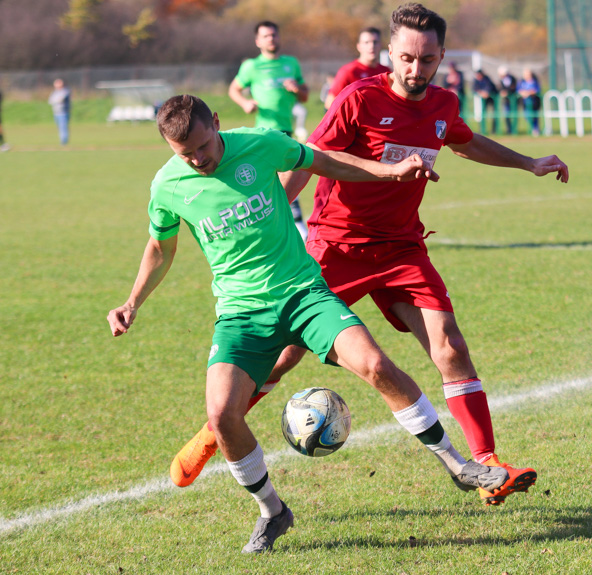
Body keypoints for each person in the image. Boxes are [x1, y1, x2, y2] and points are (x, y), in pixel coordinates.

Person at [174, 2, 568, 507]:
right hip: (337, 245)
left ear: (441, 56)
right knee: (285, 354)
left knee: (450, 347)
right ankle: (215, 430)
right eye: (406, 58)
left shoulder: (443, 105)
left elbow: (464, 142)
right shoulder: (358, 99)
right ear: (390, 53)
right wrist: (271, 215)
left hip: (402, 247)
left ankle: (487, 463)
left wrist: (529, 162)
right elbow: (308, 159)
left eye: (427, 60)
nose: (415, 69)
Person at [108, 94, 516, 553]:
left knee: (377, 366)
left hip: (304, 294)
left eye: (203, 145)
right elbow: (161, 248)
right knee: (221, 415)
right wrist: (132, 302)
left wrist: (389, 170)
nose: (199, 159)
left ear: (217, 123)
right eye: (186, 154)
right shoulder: (167, 186)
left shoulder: (261, 143)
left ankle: (459, 466)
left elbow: (326, 161)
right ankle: (272, 512)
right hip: (241, 314)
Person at [228, 21, 310, 240]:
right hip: (262, 134)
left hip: (286, 131)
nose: (270, 39)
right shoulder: (251, 67)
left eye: (273, 35)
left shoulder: (291, 64)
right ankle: (265, 226)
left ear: (279, 37)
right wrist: (245, 103)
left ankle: (296, 225)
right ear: (258, 41)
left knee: (289, 177)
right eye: (265, 36)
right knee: (264, 179)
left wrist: (297, 89)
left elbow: (305, 95)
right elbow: (234, 89)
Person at [324, 27, 391, 111]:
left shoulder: (386, 72)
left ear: (380, 45)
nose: (371, 46)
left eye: (375, 42)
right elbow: (330, 104)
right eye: (366, 42)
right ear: (359, 46)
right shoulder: (348, 71)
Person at [471, 68, 498, 134]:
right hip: (483, 100)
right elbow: (474, 89)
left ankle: (494, 130)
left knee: (494, 114)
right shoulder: (476, 81)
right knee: (482, 114)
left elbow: (490, 87)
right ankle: (482, 129)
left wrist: (487, 93)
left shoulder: (487, 79)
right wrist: (481, 93)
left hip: (492, 99)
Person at [517, 67, 542, 136]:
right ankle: (533, 129)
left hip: (534, 102)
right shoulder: (522, 82)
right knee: (527, 117)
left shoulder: (534, 81)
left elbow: (537, 90)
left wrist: (529, 93)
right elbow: (518, 90)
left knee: (534, 116)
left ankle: (536, 130)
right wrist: (522, 93)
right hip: (525, 103)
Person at [48, 78, 71, 146]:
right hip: (56, 112)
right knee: (59, 127)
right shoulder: (54, 92)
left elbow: (59, 100)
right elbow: (50, 101)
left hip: (63, 112)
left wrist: (56, 101)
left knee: (63, 127)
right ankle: (62, 140)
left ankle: (64, 142)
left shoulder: (65, 91)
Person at [497, 65, 517, 135]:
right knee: (506, 115)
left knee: (514, 115)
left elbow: (514, 88)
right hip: (506, 101)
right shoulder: (500, 80)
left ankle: (514, 130)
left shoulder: (513, 79)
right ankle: (509, 130)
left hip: (513, 101)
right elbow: (499, 89)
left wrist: (507, 92)